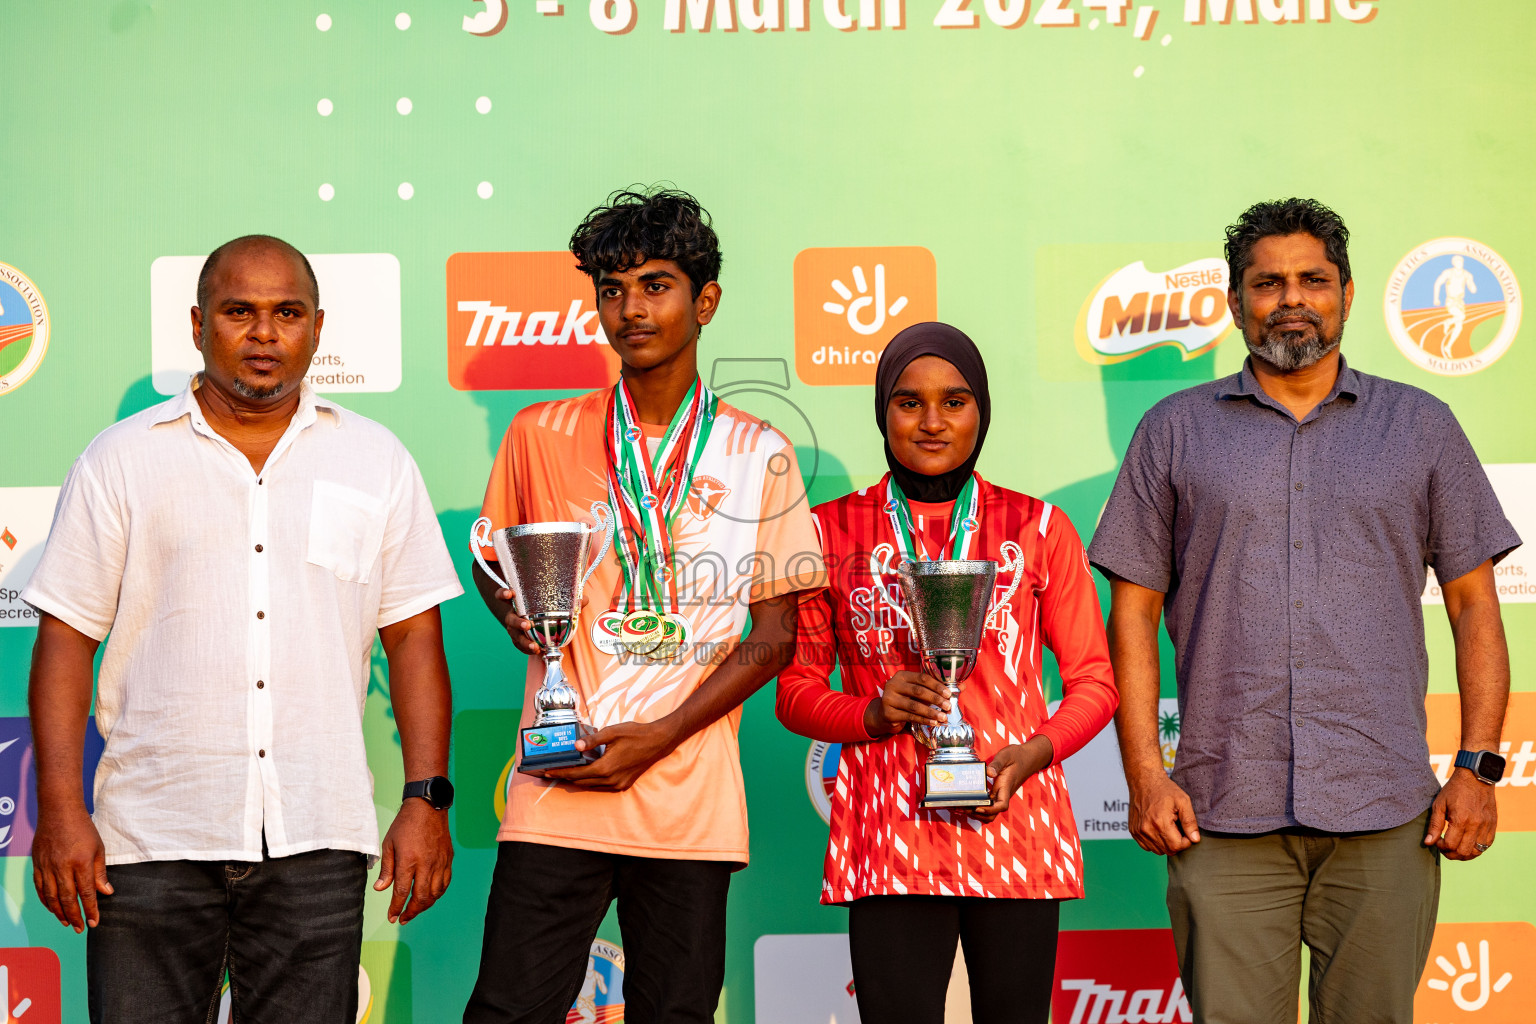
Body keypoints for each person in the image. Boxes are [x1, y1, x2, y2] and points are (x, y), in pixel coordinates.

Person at [1088, 198, 1519, 1024]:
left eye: (1313, 280)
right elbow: (1132, 617)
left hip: (1386, 810)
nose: (1292, 298)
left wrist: (1478, 766)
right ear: (1233, 301)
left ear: (1348, 294)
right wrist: (1144, 772)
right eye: (1268, 283)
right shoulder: (1173, 431)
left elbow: (1473, 606)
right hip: (1221, 812)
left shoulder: (1421, 427)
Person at [23, 235, 462, 1023]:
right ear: (198, 325)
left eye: (287, 313)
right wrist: (59, 810)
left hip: (317, 835)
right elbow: (65, 640)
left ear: (318, 330)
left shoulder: (376, 460)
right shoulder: (121, 461)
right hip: (153, 836)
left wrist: (426, 799)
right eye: (240, 312)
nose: (265, 334)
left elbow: (414, 640)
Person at [463, 188, 826, 1024]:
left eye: (656, 285)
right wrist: (512, 611)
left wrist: (658, 736)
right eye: (612, 289)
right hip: (556, 789)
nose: (630, 310)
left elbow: (776, 635)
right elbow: (494, 561)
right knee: (506, 1013)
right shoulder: (538, 434)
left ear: (706, 302)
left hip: (687, 803)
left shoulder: (760, 452)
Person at [775, 322, 1119, 1024]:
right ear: (883, 411)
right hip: (890, 836)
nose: (932, 421)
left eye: (955, 401)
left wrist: (1032, 756)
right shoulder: (826, 532)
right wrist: (869, 714)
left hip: (1014, 823)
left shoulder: (1040, 529)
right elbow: (794, 689)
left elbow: (1094, 681)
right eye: (909, 402)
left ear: (982, 411)